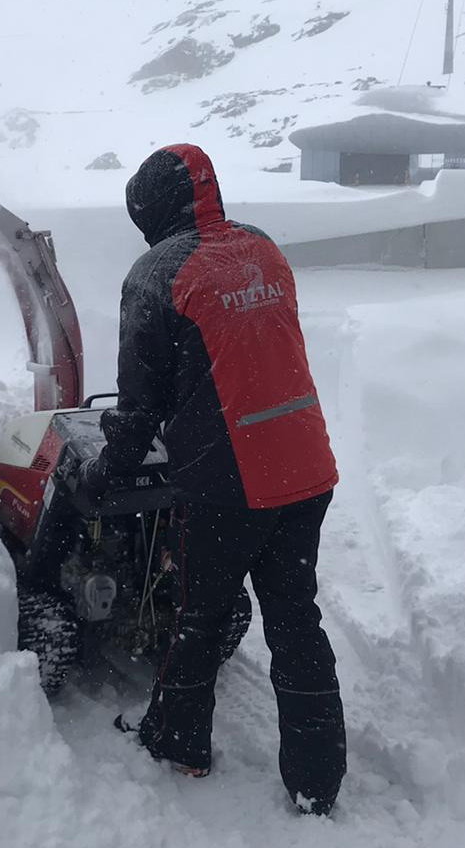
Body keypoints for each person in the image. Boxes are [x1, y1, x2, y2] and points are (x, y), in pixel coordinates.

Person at [83, 143, 346, 815]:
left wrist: (103, 476)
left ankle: (177, 745)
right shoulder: (264, 248)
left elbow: (140, 409)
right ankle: (317, 783)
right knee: (296, 623)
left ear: (149, 210)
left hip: (232, 484)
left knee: (197, 619)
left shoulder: (155, 273)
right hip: (307, 464)